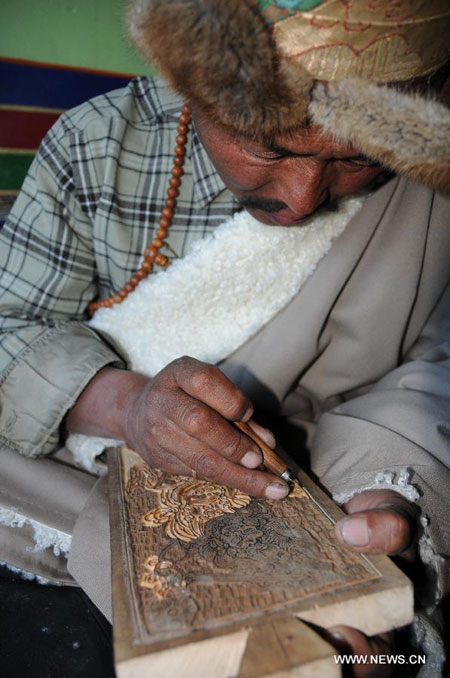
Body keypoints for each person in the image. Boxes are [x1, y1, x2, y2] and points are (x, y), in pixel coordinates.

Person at [0, 1, 449, 675]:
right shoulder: (94, 145)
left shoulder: (428, 177)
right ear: (191, 88)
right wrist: (130, 407)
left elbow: (430, 372)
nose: (301, 199)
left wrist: (390, 497)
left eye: (358, 157)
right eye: (266, 146)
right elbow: (10, 327)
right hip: (85, 473)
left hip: (331, 475)